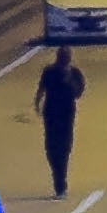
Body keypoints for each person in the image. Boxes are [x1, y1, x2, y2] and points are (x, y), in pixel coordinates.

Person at [32, 44, 86, 198]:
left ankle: (60, 184)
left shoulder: (75, 73)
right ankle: (59, 178)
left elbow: (78, 93)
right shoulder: (49, 72)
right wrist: (37, 103)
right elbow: (41, 89)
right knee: (51, 148)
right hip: (51, 114)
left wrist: (69, 79)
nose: (64, 60)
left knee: (64, 149)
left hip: (66, 115)